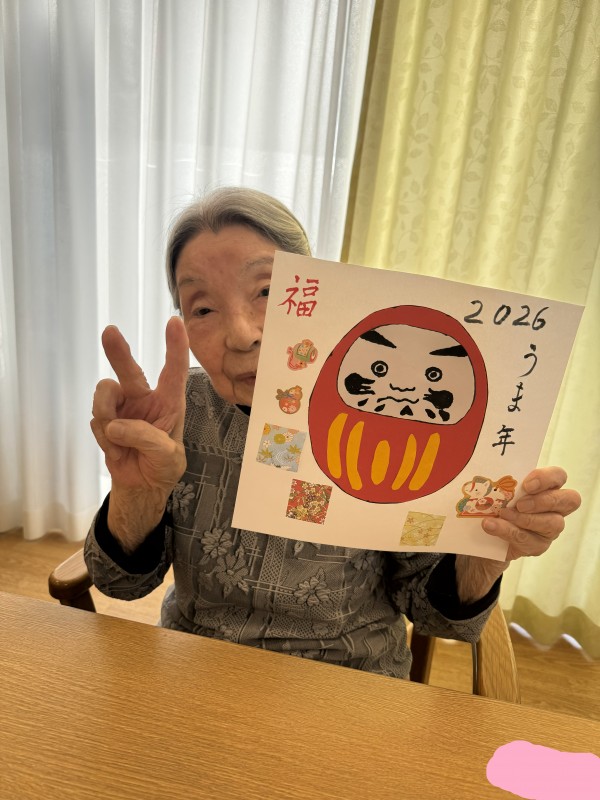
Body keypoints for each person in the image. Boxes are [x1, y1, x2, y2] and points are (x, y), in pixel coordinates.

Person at [85, 186, 581, 678]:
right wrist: (138, 494)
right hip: (199, 668)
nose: (242, 334)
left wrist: (487, 553)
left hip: (351, 677)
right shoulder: (180, 413)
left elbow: (436, 618)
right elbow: (119, 585)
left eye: (267, 292)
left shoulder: (389, 415)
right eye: (203, 308)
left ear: (317, 292)